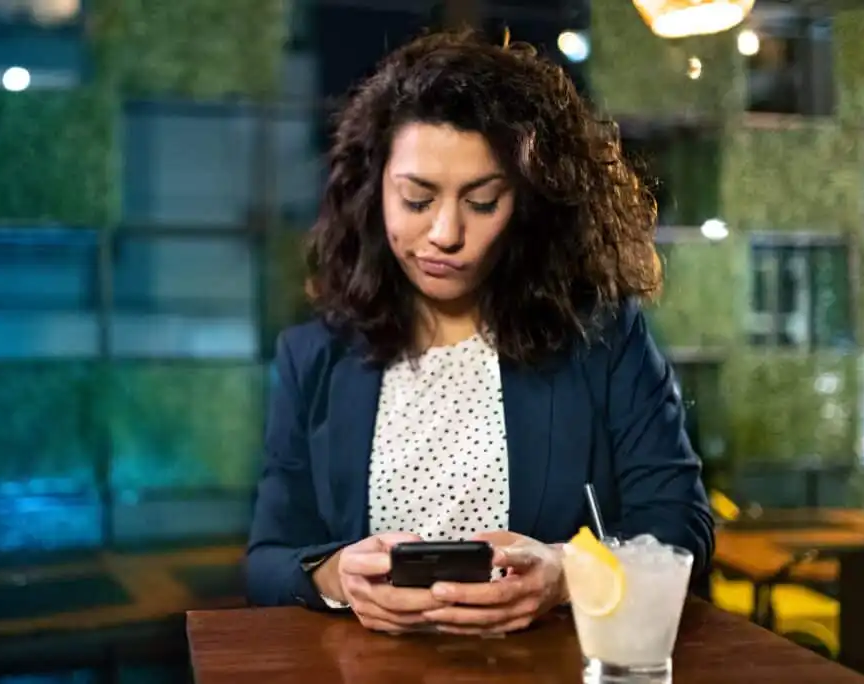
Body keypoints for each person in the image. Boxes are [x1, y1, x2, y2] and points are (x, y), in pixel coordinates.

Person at [245, 29, 714, 635]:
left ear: (529, 203)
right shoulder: (313, 355)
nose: (445, 233)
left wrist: (569, 574)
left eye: (483, 202)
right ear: (374, 191)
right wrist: (336, 577)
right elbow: (266, 561)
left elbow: (682, 529)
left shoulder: (600, 338)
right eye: (416, 199)